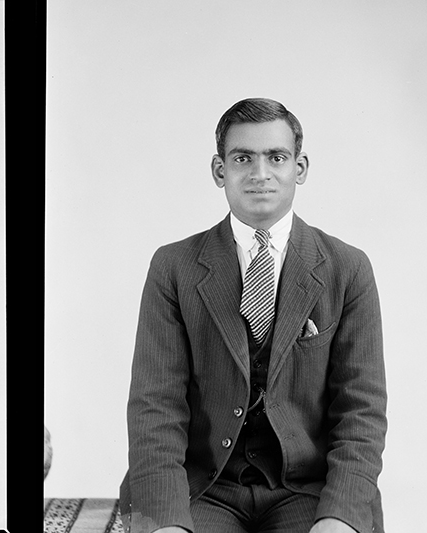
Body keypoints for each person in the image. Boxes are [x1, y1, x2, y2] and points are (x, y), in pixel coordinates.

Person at [119, 98, 386, 533]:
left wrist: (339, 514)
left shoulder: (347, 268)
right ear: (219, 170)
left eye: (276, 158)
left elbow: (362, 411)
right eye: (243, 158)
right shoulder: (174, 267)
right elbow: (154, 406)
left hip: (307, 489)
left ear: (299, 169)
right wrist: (167, 518)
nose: (260, 173)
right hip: (200, 487)